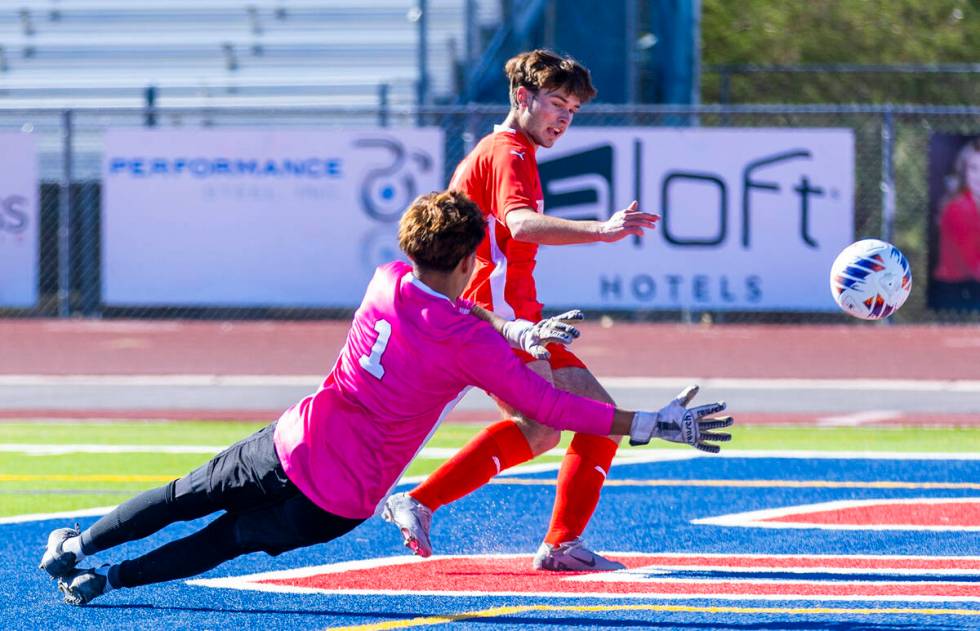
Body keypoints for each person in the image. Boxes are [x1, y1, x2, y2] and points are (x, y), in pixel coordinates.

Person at [40, 190, 732, 606]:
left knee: (181, 494)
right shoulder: (470, 340)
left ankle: (79, 542)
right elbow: (549, 408)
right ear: (468, 264)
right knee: (220, 543)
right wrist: (649, 420)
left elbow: (449, 304)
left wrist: (511, 324)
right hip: (337, 498)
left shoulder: (387, 278)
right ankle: (110, 580)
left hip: (292, 441)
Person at [382, 49, 662, 572]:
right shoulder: (507, 150)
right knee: (543, 427)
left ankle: (559, 544)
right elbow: (523, 223)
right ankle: (420, 502)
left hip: (523, 317)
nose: (564, 118)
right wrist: (603, 229)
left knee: (595, 424)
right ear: (522, 97)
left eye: (573, 111)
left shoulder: (508, 150)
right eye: (557, 103)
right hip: (500, 316)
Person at [932, 137, 980, 308]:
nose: (978, 177)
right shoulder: (956, 209)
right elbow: (972, 263)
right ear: (965, 172)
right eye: (974, 169)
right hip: (956, 289)